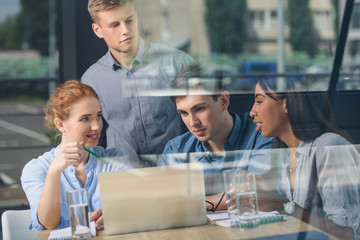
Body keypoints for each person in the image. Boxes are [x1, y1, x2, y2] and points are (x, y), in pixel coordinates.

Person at [82, 0, 194, 167]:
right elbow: (92, 139)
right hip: (123, 177)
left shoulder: (177, 62)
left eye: (129, 20)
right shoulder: (91, 80)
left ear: (136, 16)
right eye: (114, 25)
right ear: (98, 30)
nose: (125, 30)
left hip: (176, 171)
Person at [249, 78, 360, 239]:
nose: (252, 111)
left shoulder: (328, 146)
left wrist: (282, 205)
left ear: (286, 104)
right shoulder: (285, 155)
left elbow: (347, 234)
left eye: (259, 101)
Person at [157, 64, 274, 211]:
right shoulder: (176, 150)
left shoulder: (260, 131)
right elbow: (162, 202)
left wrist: (187, 202)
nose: (193, 122)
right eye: (184, 113)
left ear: (224, 101)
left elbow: (256, 193)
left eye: (199, 109)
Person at [21, 80, 132, 231]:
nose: (97, 126)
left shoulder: (114, 161)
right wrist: (54, 172)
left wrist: (116, 214)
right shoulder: (37, 169)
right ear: (60, 125)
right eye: (85, 118)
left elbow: (134, 209)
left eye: (98, 116)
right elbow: (49, 224)